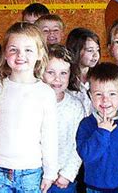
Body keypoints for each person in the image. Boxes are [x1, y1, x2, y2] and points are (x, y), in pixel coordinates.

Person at [0, 22, 58, 193]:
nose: (20, 55)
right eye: (13, 49)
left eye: (28, 50)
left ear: (40, 53)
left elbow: (49, 136)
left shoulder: (45, 93)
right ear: (5, 53)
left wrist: (50, 172)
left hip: (31, 171)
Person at [76, 62, 118, 193]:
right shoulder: (86, 125)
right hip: (94, 188)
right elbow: (86, 155)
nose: (105, 100)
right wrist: (102, 132)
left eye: (112, 94)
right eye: (98, 94)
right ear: (90, 96)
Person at [42, 44, 85, 192]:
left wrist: (68, 173)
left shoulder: (75, 106)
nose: (57, 79)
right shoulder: (33, 102)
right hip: (34, 174)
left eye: (63, 73)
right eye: (50, 72)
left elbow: (79, 143)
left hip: (62, 178)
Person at [66, 28, 101, 116]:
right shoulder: (66, 78)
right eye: (90, 50)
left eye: (97, 50)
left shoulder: (99, 77)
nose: (95, 55)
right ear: (76, 51)